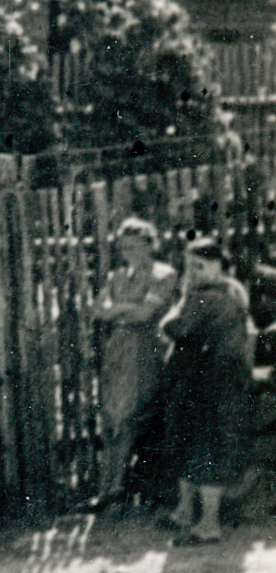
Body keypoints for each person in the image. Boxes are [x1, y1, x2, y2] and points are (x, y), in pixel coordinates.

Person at [162, 235, 254, 544]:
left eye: (199, 266)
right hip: (217, 379)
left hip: (211, 381)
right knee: (196, 443)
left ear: (216, 265)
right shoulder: (231, 290)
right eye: (189, 267)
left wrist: (174, 312)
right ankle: (186, 511)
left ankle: (209, 523)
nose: (194, 272)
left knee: (206, 447)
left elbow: (176, 328)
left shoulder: (207, 296)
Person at [94, 216, 176, 511]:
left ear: (149, 245)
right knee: (112, 419)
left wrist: (118, 309)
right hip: (117, 349)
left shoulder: (162, 274)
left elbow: (145, 316)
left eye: (134, 246)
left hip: (145, 349)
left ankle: (116, 489)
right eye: (124, 247)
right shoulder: (117, 276)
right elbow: (97, 310)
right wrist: (128, 307)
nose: (128, 253)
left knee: (129, 416)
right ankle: (108, 488)